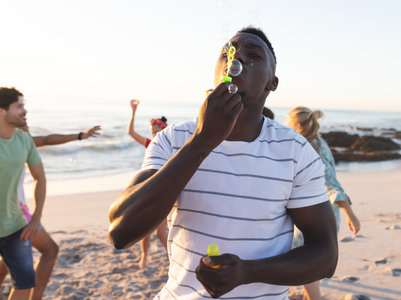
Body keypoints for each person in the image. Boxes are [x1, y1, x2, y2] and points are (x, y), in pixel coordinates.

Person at [108, 27, 338, 299]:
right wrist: (203, 141)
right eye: (227, 52)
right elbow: (121, 232)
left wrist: (247, 273)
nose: (237, 56)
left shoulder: (295, 151)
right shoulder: (173, 140)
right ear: (217, 72)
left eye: (253, 55)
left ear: (271, 82)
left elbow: (326, 256)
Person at [0, 123, 101, 300]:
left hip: (17, 211)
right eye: (20, 112)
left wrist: (80, 135)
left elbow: (47, 139)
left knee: (12, 257)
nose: (26, 122)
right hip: (17, 213)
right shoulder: (15, 141)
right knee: (49, 250)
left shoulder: (21, 141)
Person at [287, 106, 361, 300]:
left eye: (289, 124)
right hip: (318, 212)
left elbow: (331, 184)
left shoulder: (311, 148)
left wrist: (350, 213)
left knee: (306, 262)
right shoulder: (319, 142)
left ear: (298, 126)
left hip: (316, 214)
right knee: (305, 260)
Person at [0, 87, 46, 300]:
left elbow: (40, 177)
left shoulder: (24, 140)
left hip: (16, 228)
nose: (24, 111)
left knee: (25, 284)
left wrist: (36, 217)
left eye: (24, 106)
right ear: (2, 111)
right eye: (19, 106)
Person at [127, 99, 169, 268]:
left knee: (160, 232)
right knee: (145, 229)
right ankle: (144, 257)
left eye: (157, 126)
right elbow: (131, 132)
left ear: (163, 128)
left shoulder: (169, 145)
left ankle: (173, 258)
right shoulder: (149, 143)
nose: (153, 128)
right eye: (152, 125)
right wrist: (134, 111)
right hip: (148, 188)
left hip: (164, 191)